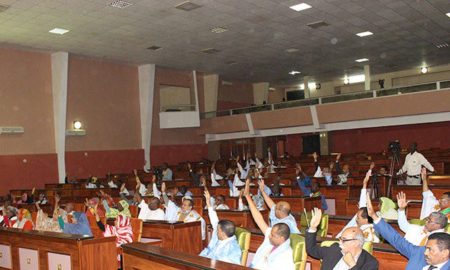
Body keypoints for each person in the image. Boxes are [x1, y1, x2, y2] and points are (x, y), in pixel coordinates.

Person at [367, 193, 450, 270]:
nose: (425, 252)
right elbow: (396, 239)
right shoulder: (419, 253)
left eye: (430, 249)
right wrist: (374, 216)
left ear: (445, 253)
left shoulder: (443, 239)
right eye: (426, 248)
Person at [243, 179, 295, 269]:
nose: (269, 236)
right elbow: (258, 219)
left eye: (272, 235)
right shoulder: (275, 234)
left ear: (281, 238)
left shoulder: (286, 255)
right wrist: (248, 196)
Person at [306, 208, 378, 270]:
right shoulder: (334, 249)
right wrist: (313, 227)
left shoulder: (370, 263)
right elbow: (311, 249)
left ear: (356, 242)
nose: (340, 242)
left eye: (343, 240)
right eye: (340, 239)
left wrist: (352, 265)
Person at [337, 167, 380, 243]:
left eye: (358, 218)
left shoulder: (369, 232)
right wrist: (364, 184)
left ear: (366, 219)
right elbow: (362, 204)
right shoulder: (362, 220)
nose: (356, 219)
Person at [199, 188, 241, 264]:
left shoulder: (233, 248)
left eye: (217, 230)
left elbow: (232, 265)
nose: (215, 232)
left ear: (222, 233)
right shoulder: (220, 236)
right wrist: (208, 202)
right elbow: (214, 220)